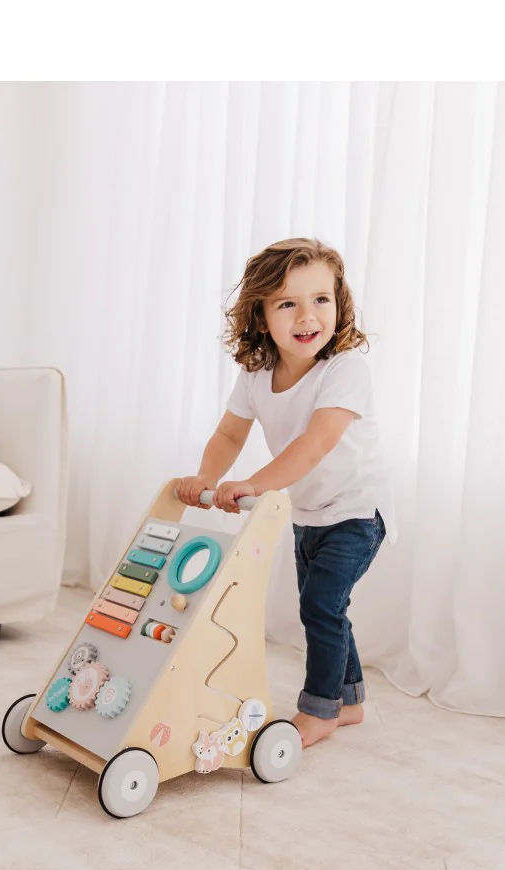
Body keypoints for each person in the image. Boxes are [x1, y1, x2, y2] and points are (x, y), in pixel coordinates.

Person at [176, 237, 395, 748]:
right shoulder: (256, 374)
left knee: (320, 606)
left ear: (339, 303)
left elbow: (316, 444)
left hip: (356, 511)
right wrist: (206, 476)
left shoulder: (344, 370)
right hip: (309, 512)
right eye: (287, 304)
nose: (307, 316)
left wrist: (254, 484)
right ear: (260, 315)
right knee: (326, 606)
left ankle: (320, 709)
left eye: (320, 299)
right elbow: (229, 434)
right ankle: (350, 701)